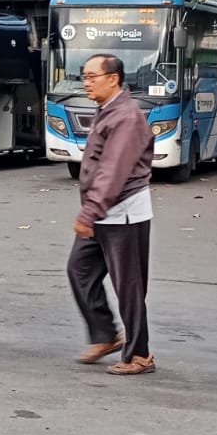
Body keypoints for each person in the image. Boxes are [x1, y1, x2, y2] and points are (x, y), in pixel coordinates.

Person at [67, 53, 157, 375]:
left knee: (128, 286)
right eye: (84, 77)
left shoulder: (126, 117)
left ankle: (139, 355)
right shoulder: (108, 111)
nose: (86, 82)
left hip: (123, 214)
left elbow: (112, 171)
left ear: (113, 79)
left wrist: (90, 211)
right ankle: (106, 335)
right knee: (80, 270)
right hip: (103, 212)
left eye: (92, 76)